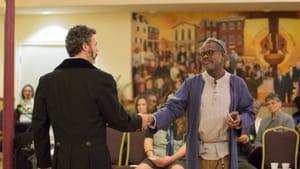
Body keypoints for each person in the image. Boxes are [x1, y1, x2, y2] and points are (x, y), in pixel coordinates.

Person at [32, 25, 149, 169]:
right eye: (95, 44)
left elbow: (39, 127)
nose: (97, 49)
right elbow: (117, 119)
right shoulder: (102, 80)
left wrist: (44, 163)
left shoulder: (46, 82)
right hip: (94, 161)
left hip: (62, 161)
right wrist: (139, 121)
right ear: (85, 46)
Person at [146, 37, 255, 169]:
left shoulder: (237, 84)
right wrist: (154, 118)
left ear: (223, 55)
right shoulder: (192, 84)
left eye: (210, 52)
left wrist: (240, 120)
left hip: (226, 154)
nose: (205, 57)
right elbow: (172, 108)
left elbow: (249, 112)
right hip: (199, 155)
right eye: (203, 54)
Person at [136, 92, 186, 169]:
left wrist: (171, 158)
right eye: (169, 102)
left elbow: (186, 146)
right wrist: (152, 156)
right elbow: (148, 140)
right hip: (156, 157)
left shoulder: (186, 123)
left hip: (176, 158)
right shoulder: (156, 120)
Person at [248, 93, 295, 168]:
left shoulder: (287, 119)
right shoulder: (264, 121)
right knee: (256, 153)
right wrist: (264, 148)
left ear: (279, 104)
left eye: (273, 103)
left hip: (282, 152)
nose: (270, 106)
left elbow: (290, 142)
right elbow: (257, 140)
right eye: (268, 104)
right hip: (264, 152)